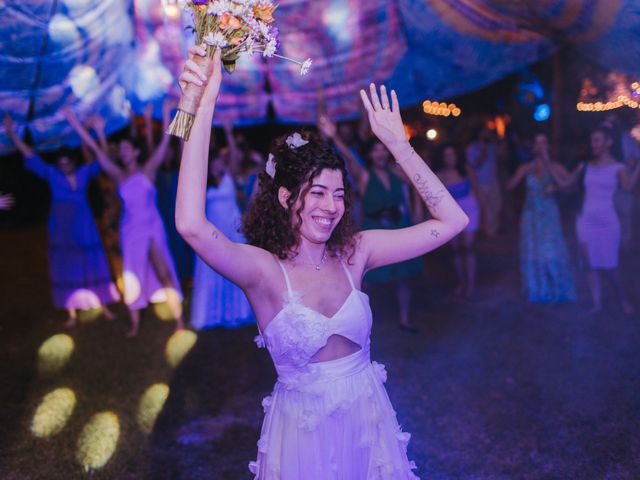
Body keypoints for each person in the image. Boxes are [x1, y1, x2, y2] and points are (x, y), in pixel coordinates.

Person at [175, 46, 468, 479]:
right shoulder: (264, 273)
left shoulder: (356, 253)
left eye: (339, 194)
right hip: (303, 440)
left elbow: (452, 221)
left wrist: (398, 145)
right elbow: (192, 226)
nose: (330, 206)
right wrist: (204, 104)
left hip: (368, 430)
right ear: (286, 197)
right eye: (317, 192)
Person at [65, 102, 184, 337]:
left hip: (151, 226)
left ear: (136, 152)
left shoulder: (148, 169)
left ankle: (179, 320)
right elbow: (95, 150)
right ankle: (135, 323)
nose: (123, 152)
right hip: (130, 229)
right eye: (121, 150)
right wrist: (76, 124)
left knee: (164, 271)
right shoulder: (118, 175)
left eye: (127, 148)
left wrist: (171, 113)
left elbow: (166, 141)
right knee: (133, 273)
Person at [4, 113, 116, 326]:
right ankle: (71, 313)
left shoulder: (84, 172)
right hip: (62, 225)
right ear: (58, 164)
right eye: (61, 164)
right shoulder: (52, 174)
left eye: (67, 164)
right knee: (66, 264)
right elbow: (30, 155)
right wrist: (11, 133)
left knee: (92, 259)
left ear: (72, 162)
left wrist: (100, 134)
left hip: (85, 224)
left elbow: (103, 159)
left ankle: (104, 304)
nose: (65, 167)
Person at [318, 114, 423, 332]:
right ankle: (361, 323)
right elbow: (348, 157)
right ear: (369, 153)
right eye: (376, 150)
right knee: (367, 280)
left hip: (399, 227)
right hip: (375, 229)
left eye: (383, 149)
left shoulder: (396, 172)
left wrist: (416, 210)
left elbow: (417, 183)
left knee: (404, 277)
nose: (380, 153)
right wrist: (334, 136)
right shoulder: (364, 176)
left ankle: (404, 319)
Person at [559, 127, 640, 314]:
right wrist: (547, 163)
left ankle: (623, 300)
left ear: (608, 143)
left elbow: (628, 187)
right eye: (592, 141)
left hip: (608, 221)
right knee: (589, 263)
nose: (593, 145)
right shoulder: (585, 166)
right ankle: (597, 304)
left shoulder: (618, 167)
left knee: (610, 266)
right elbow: (566, 183)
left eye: (597, 140)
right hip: (586, 220)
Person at [506, 133, 576, 303]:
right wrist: (521, 172)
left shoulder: (556, 167)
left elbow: (571, 188)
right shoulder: (526, 167)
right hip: (530, 216)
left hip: (549, 215)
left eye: (544, 142)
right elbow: (509, 186)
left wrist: (556, 188)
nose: (541, 146)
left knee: (551, 250)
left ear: (549, 146)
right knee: (532, 250)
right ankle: (537, 289)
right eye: (537, 143)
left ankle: (556, 288)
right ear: (534, 148)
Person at [189, 147, 255, 329]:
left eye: (219, 159)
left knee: (237, 269)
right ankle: (213, 314)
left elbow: (234, 154)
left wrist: (227, 132)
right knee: (213, 271)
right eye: (214, 160)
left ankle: (238, 312)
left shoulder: (230, 174)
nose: (218, 163)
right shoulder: (202, 181)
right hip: (213, 232)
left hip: (233, 230)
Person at [434, 143, 481, 296]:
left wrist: (483, 209)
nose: (450, 158)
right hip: (450, 213)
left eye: (453, 154)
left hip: (469, 208)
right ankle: (461, 282)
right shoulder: (438, 175)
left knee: (468, 246)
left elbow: (476, 188)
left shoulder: (465, 170)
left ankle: (471, 284)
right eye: (447, 155)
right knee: (455, 250)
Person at [466, 125, 502, 237]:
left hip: (493, 181)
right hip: (481, 183)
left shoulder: (492, 146)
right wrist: (483, 153)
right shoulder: (472, 148)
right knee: (485, 209)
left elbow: (499, 161)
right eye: (484, 131)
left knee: (497, 205)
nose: (487, 133)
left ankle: (492, 230)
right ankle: (489, 233)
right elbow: (472, 166)